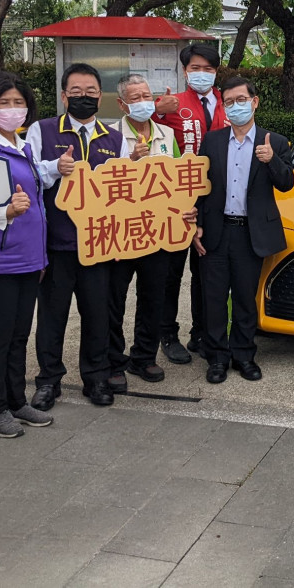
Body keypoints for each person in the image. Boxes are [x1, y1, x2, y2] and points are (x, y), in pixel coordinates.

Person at [27, 63, 126, 409]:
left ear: (101, 96)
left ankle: (96, 378)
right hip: (56, 243)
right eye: (77, 92)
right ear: (64, 95)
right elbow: (26, 178)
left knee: (98, 314)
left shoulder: (114, 138)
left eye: (91, 92)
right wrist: (54, 168)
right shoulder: (42, 131)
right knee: (52, 316)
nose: (84, 97)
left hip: (99, 245)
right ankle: (48, 380)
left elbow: (127, 195)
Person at [191, 77, 294, 383]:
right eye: (229, 102)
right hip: (216, 230)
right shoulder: (212, 141)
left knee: (246, 298)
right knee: (214, 298)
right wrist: (195, 225)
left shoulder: (273, 142)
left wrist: (272, 160)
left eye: (241, 99)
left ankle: (244, 355)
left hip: (251, 233)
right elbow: (199, 186)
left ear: (255, 101)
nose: (235, 106)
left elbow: (287, 183)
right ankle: (217, 357)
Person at [0, 72, 54, 438]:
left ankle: (17, 400)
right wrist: (4, 213)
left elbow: (37, 203)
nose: (12, 109)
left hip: (30, 257)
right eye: (4, 103)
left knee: (20, 333)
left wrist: (42, 257)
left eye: (18, 103)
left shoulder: (24, 147)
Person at [154, 42, 228, 362]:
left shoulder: (228, 102)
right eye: (195, 68)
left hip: (214, 200)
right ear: (184, 71)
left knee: (206, 270)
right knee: (171, 271)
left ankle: (201, 332)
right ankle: (167, 333)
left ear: (216, 71)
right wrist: (159, 110)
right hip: (177, 199)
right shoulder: (172, 104)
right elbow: (146, 133)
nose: (202, 74)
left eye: (208, 68)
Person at [107, 74, 179, 389]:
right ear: (122, 104)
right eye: (135, 98)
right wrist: (131, 159)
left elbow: (178, 180)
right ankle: (113, 361)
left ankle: (144, 357)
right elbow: (102, 183)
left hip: (158, 230)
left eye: (146, 95)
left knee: (153, 296)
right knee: (114, 298)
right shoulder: (109, 136)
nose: (142, 102)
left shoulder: (166, 133)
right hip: (122, 231)